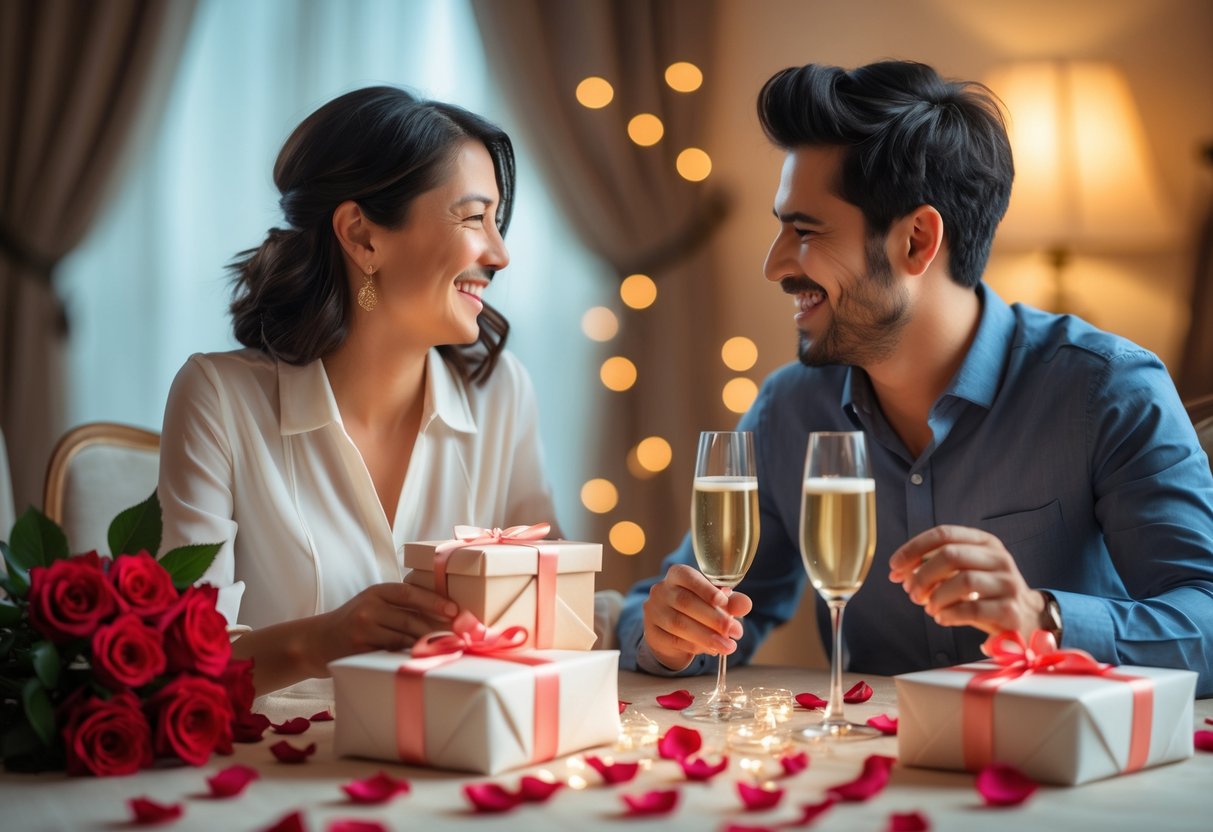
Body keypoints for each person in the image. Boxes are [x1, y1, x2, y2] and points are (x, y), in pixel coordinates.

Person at [617, 60, 1213, 696]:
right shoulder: (790, 409)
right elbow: (665, 612)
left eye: (804, 230)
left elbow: (1203, 615)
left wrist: (1043, 618)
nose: (774, 264)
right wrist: (668, 636)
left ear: (917, 241)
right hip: (868, 775)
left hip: (1065, 775)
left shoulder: (1108, 392)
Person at [158, 87, 559, 709]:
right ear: (363, 236)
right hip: (264, 781)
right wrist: (324, 640)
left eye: (497, 223)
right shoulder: (218, 397)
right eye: (474, 217)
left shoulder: (502, 395)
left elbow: (551, 610)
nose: (499, 254)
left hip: (449, 772)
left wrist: (656, 630)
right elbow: (178, 666)